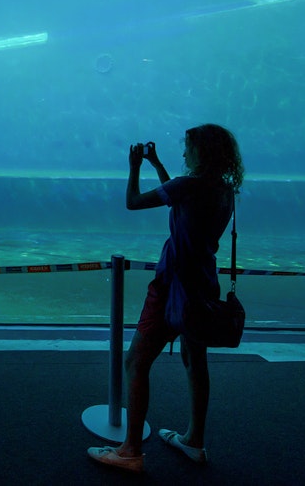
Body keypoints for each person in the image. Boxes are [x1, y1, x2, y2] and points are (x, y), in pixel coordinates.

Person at [88, 124, 244, 473]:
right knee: (195, 362)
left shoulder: (188, 186)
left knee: (136, 362)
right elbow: (177, 192)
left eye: (188, 148)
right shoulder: (224, 190)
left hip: (172, 287)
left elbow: (133, 203)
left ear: (201, 152)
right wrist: (157, 164)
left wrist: (134, 167)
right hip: (204, 286)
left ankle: (129, 451)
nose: (184, 154)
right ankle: (194, 441)